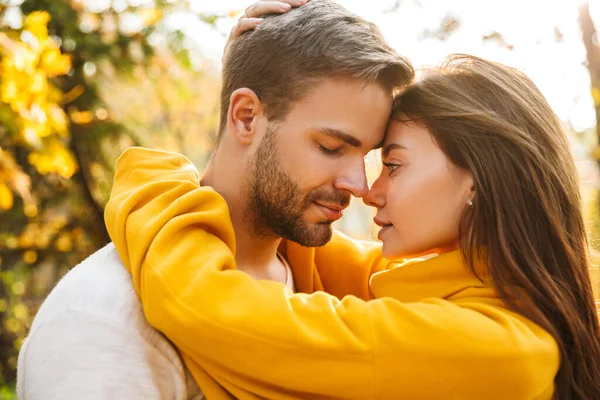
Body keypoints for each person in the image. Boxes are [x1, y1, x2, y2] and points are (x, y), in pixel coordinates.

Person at [105, 54, 600, 399]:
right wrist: (258, 75)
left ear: (480, 180)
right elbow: (291, 235)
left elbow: (209, 309)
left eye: (395, 165)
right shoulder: (488, 284)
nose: (369, 189)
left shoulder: (498, 349)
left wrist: (150, 177)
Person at [16, 1, 413, 399]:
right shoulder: (103, 321)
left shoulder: (339, 293)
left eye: (365, 154)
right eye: (330, 147)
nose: (359, 185)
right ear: (245, 117)